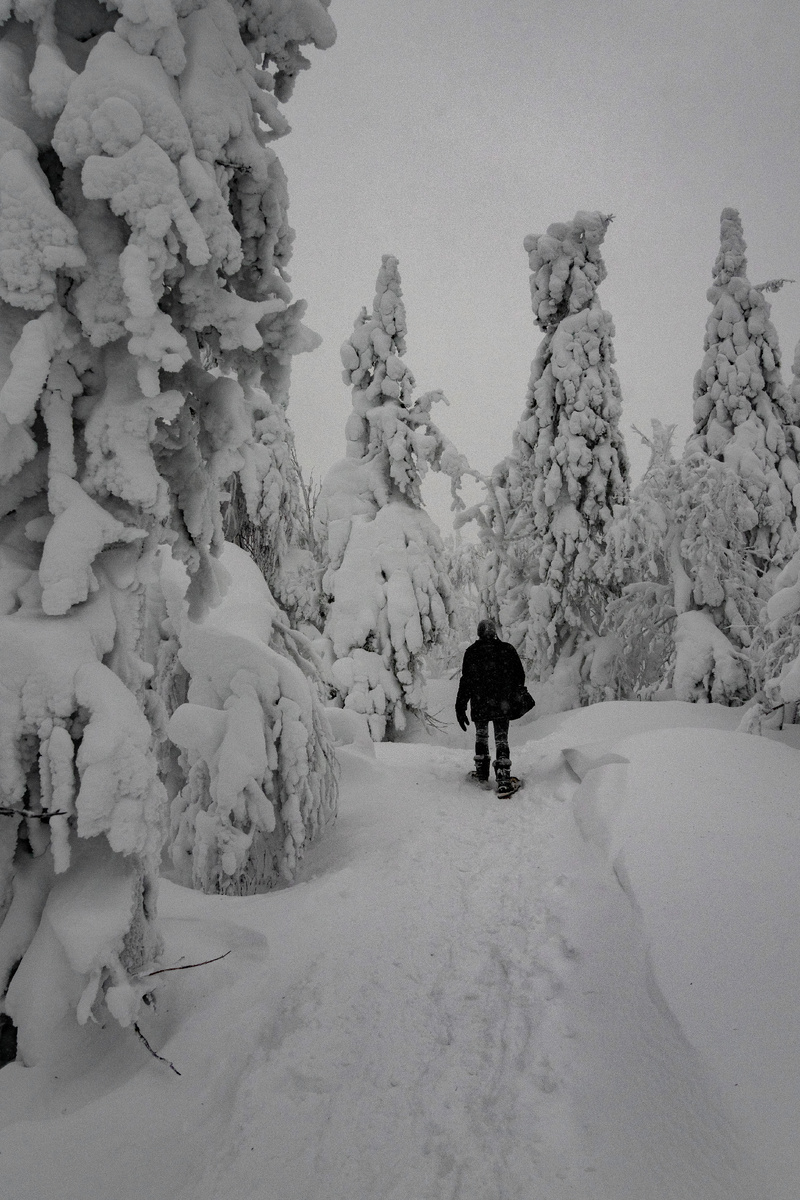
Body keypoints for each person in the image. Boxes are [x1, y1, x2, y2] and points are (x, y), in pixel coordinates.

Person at [455, 618, 527, 796]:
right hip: (502, 704)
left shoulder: (471, 652)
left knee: (481, 737)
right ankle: (503, 780)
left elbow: (466, 681)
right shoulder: (507, 650)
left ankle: (481, 774)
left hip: (479, 704)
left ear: (479, 634)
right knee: (501, 739)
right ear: (494, 633)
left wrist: (460, 705)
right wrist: (512, 694)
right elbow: (519, 676)